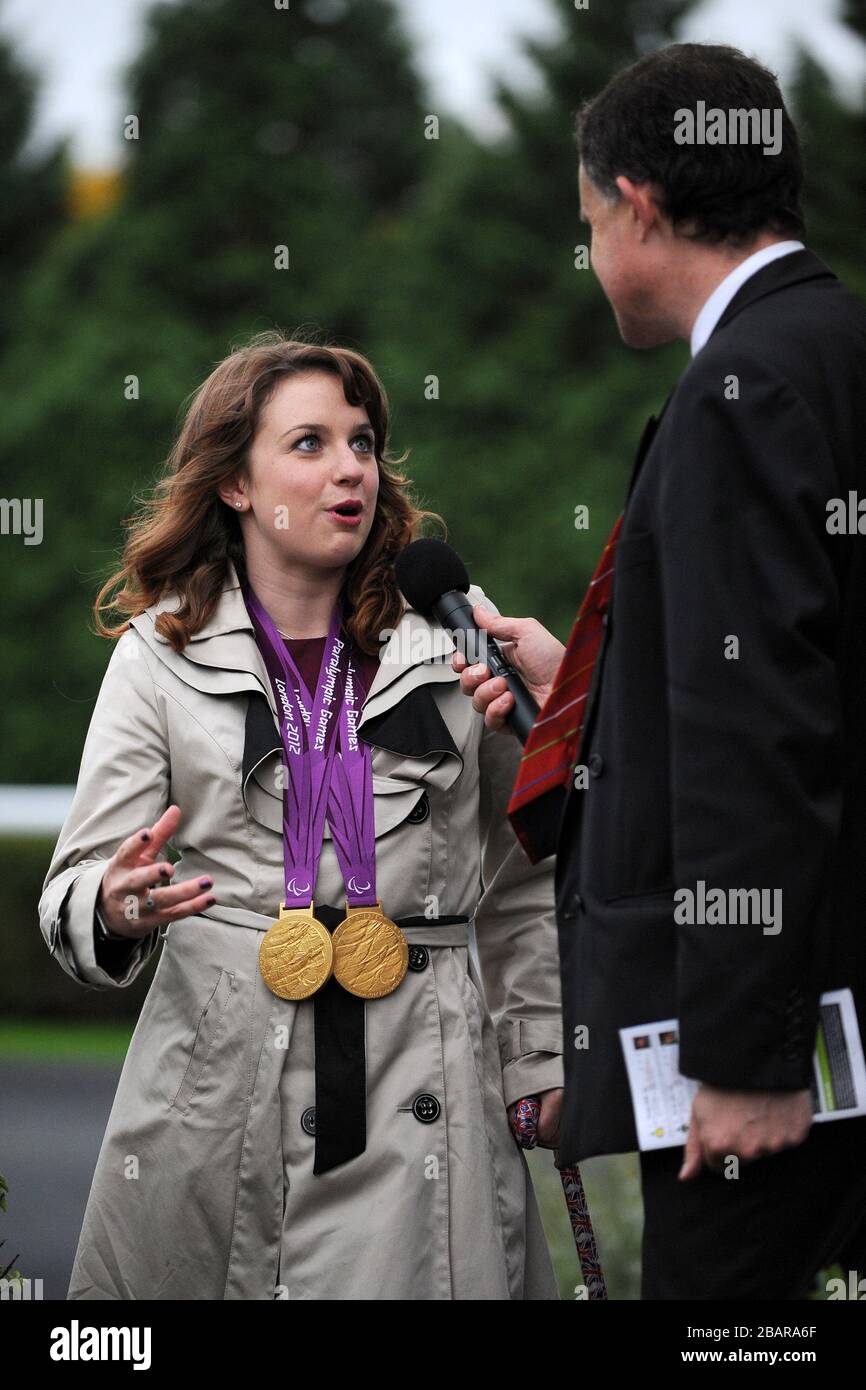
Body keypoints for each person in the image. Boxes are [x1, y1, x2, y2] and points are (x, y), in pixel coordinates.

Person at [452, 43, 866, 1300]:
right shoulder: (834, 347)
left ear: (635, 204)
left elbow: (755, 734)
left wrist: (744, 1058)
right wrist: (591, 685)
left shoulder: (736, 391)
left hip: (775, 1057)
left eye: (587, 225)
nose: (590, 261)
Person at [38, 332, 566, 1301]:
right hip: (214, 1087)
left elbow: (534, 865)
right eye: (310, 444)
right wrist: (113, 903)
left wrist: (538, 1054)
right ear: (235, 483)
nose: (349, 470)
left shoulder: (455, 633)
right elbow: (76, 885)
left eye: (362, 442)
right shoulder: (157, 655)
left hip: (422, 1080)